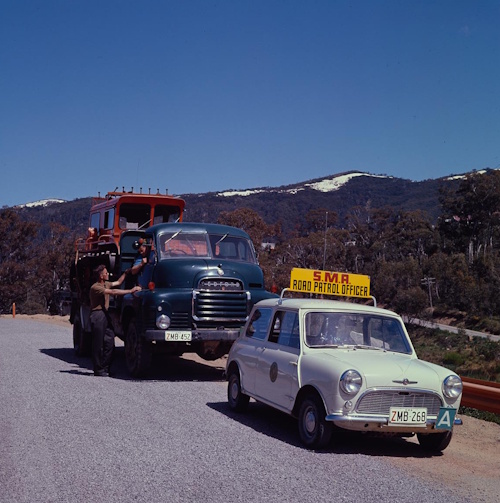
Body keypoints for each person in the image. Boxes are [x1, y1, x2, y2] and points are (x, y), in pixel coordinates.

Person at [90, 264, 141, 376]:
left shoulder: (106, 284)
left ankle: (105, 367)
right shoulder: (96, 287)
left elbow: (118, 282)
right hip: (97, 315)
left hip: (105, 314)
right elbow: (113, 292)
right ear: (101, 276)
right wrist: (130, 291)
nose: (108, 274)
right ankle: (98, 369)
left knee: (109, 341)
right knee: (98, 344)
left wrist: (126, 273)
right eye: (106, 273)